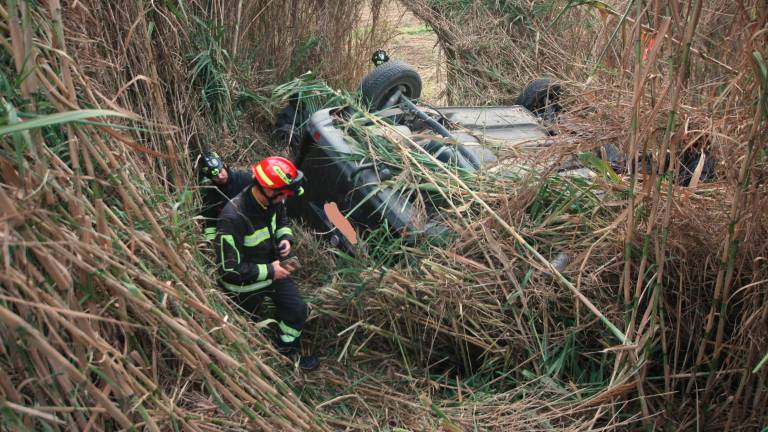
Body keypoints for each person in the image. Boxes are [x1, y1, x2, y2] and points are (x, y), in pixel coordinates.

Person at [214, 156, 319, 371]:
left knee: (297, 310)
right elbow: (229, 269)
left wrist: (285, 238)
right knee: (247, 326)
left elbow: (281, 219)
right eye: (283, 195)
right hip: (244, 284)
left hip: (272, 268)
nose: (284, 200)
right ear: (270, 191)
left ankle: (286, 354)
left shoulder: (272, 201)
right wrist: (271, 270)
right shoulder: (232, 218)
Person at [198, 151, 252, 241]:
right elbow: (210, 222)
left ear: (225, 166)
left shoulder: (245, 180)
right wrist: (212, 242)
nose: (219, 177)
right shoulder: (211, 195)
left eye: (220, 171)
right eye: (214, 176)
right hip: (231, 238)